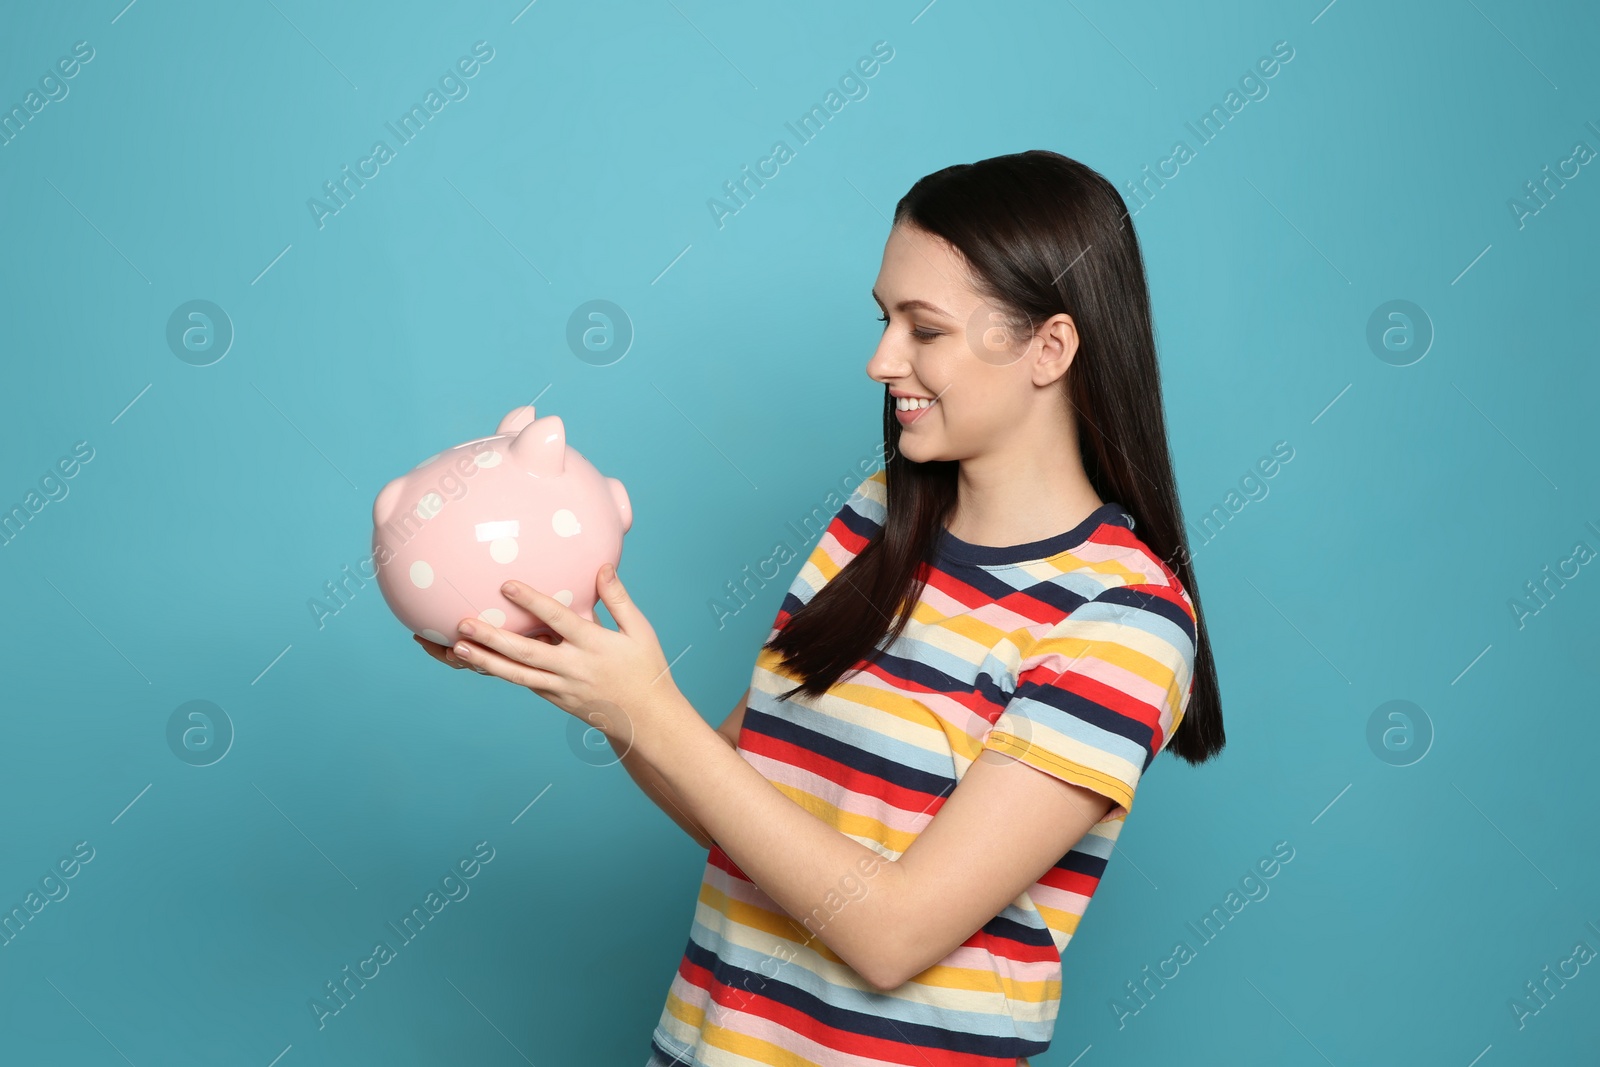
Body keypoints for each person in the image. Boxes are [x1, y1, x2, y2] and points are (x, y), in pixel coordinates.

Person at [419, 148, 1226, 1067]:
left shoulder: (1123, 620)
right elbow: (725, 798)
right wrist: (577, 670)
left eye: (925, 330)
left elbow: (893, 934)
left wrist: (647, 707)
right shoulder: (872, 522)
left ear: (1050, 346)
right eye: (885, 319)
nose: (882, 360)